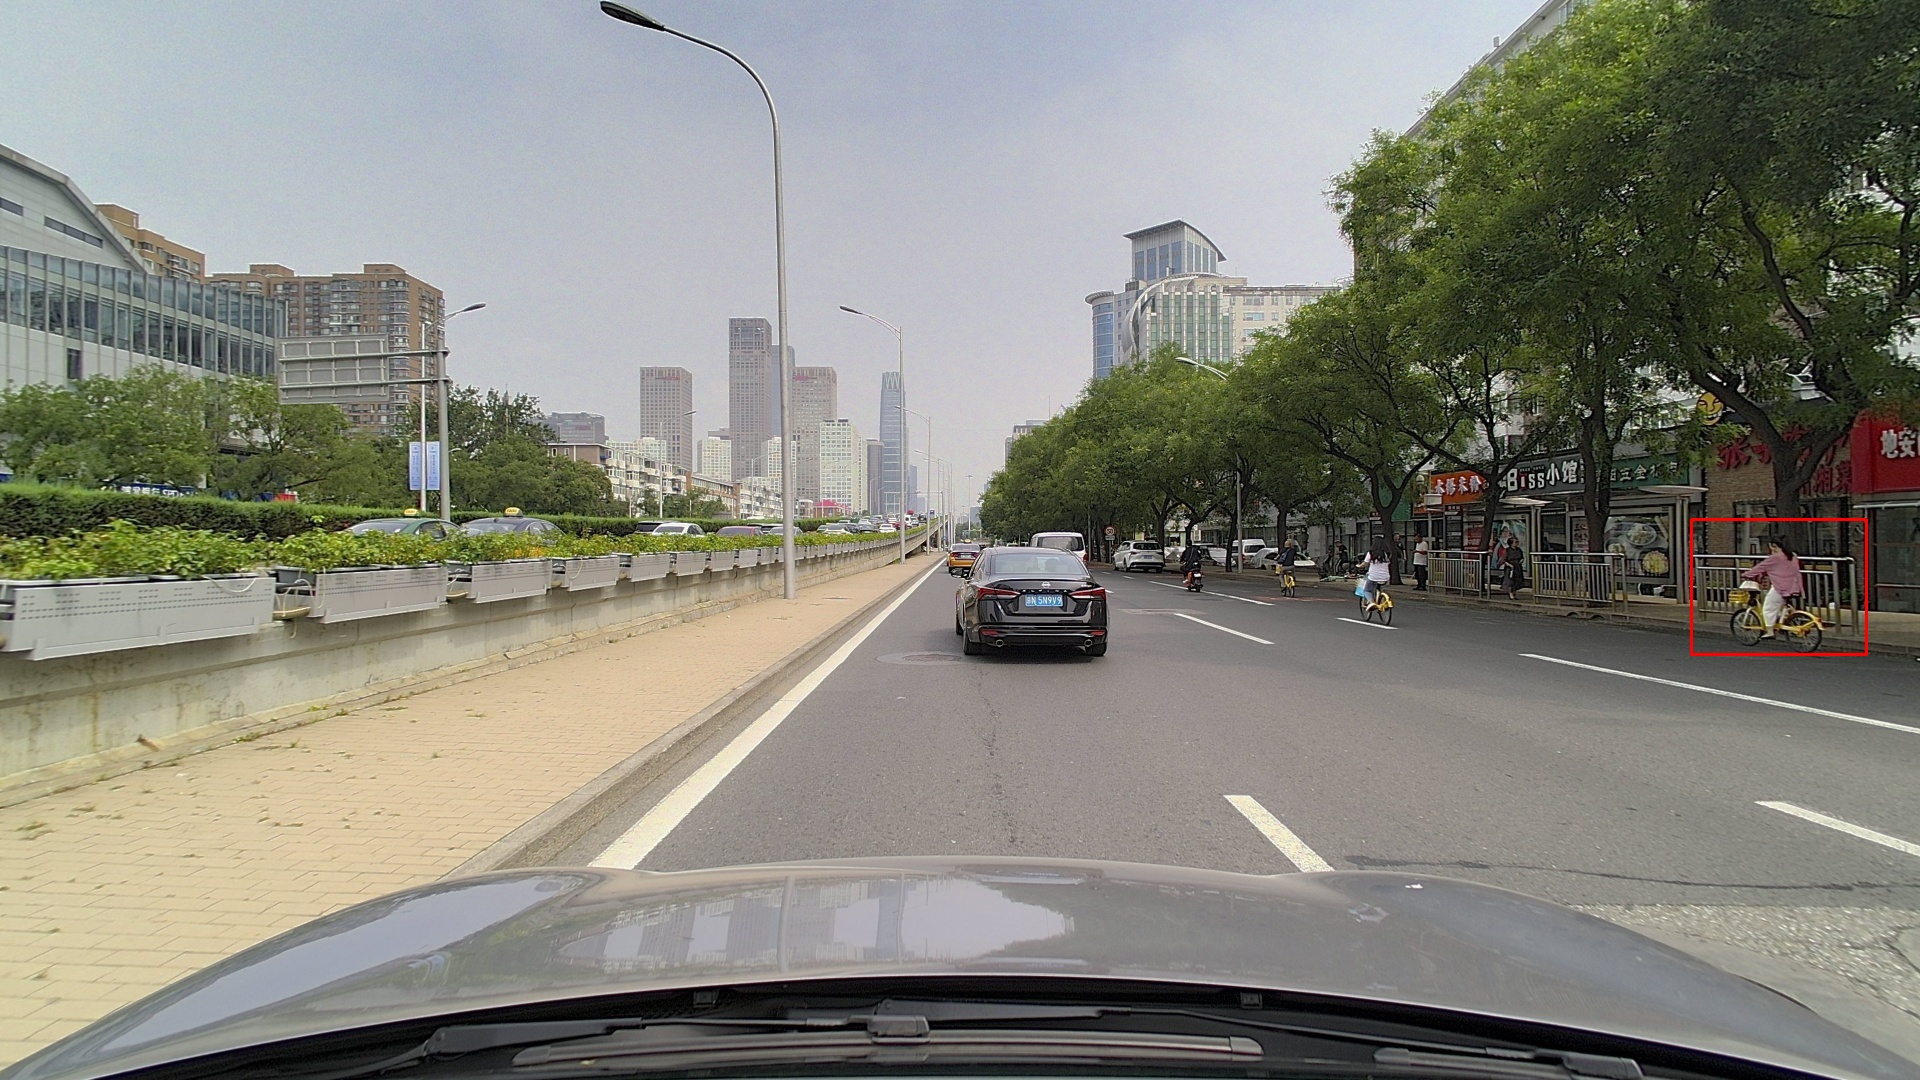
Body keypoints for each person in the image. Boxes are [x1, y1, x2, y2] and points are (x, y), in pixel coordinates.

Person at [1741, 537, 1804, 639]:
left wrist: (1746, 574)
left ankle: (1770, 632)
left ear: (1773, 546)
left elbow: (1760, 567)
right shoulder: (1793, 556)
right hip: (1794, 586)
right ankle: (1783, 621)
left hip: (1780, 587)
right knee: (1779, 607)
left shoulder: (1775, 558)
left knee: (1768, 609)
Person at [1356, 539, 1392, 606]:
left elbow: (1365, 564)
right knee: (1380, 587)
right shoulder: (1387, 554)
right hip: (1385, 577)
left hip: (1373, 577)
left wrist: (1359, 566)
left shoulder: (1371, 553)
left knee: (1367, 590)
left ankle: (1371, 602)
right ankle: (1381, 598)